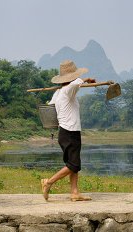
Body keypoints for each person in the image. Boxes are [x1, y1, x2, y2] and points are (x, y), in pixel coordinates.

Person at [40, 60, 95, 202]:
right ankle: (49, 182)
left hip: (64, 132)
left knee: (73, 163)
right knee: (73, 165)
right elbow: (76, 83)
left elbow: (50, 107)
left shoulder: (57, 93)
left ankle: (75, 192)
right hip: (70, 132)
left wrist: (83, 80)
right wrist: (86, 79)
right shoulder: (68, 90)